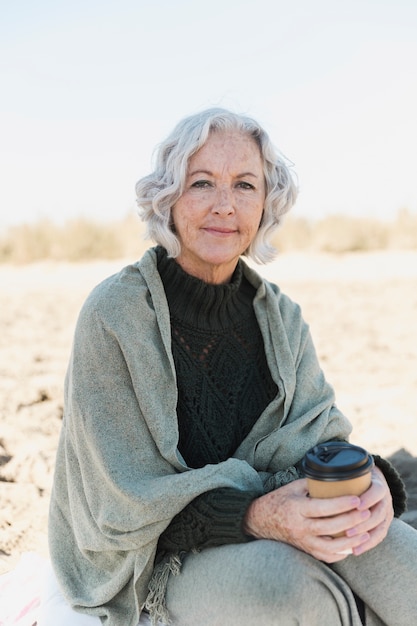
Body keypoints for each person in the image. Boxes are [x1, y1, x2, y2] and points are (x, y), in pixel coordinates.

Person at [45, 108, 417, 626]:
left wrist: (372, 476)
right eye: (202, 183)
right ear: (168, 198)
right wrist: (258, 515)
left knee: (403, 560)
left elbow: (321, 441)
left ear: (266, 204)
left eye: (245, 185)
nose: (225, 205)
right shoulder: (114, 316)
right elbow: (120, 505)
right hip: (158, 559)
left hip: (277, 514)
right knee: (294, 590)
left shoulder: (281, 317)